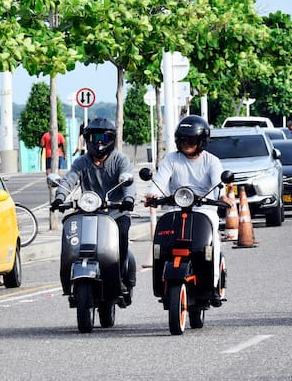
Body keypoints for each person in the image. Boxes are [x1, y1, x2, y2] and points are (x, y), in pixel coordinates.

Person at [51, 118, 136, 301]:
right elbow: (69, 180)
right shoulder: (81, 162)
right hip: (88, 212)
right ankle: (69, 280)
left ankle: (120, 277)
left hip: (116, 213)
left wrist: (128, 199)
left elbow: (128, 181)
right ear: (87, 139)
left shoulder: (120, 160)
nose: (98, 142)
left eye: (103, 138)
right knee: (71, 236)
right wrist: (59, 197)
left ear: (111, 140)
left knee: (121, 235)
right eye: (94, 137)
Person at [145, 115, 227, 306]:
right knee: (163, 244)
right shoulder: (171, 159)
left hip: (205, 210)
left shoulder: (212, 161)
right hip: (175, 207)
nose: (186, 144)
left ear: (202, 141)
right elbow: (160, 181)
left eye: (191, 140)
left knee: (211, 243)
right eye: (182, 140)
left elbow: (218, 185)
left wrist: (222, 197)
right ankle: (162, 282)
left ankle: (213, 285)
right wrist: (152, 194)